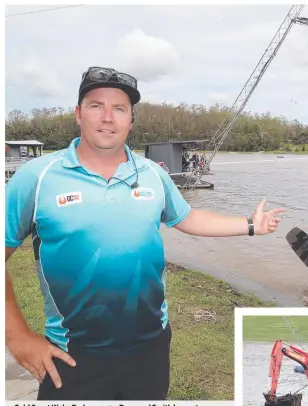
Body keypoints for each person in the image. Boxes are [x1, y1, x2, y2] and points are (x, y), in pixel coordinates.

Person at [5, 66, 284, 401]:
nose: (108, 117)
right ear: (78, 114)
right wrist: (17, 335)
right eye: (96, 105)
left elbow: (188, 217)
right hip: (72, 354)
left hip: (150, 348)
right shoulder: (36, 178)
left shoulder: (153, 174)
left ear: (131, 121)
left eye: (119, 109)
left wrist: (251, 225)